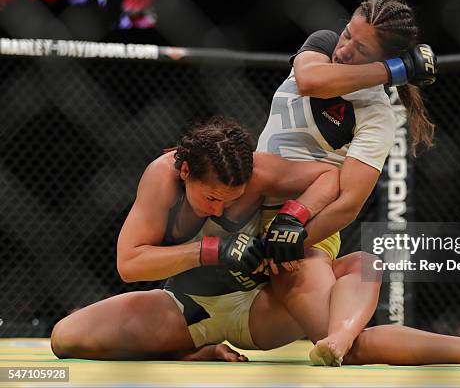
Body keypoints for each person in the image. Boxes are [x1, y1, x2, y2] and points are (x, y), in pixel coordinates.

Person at [253, 0, 460, 368]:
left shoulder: (377, 114)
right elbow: (310, 81)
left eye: (360, 49)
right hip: (251, 200)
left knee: (346, 346)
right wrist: (394, 70)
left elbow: (347, 203)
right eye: (347, 35)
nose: (344, 50)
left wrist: (284, 244)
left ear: (381, 58)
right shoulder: (323, 45)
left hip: (305, 226)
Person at [50, 117, 341, 361]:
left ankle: (351, 334)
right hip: (188, 308)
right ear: (186, 171)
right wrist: (211, 250)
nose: (218, 210)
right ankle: (192, 351)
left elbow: (330, 176)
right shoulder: (163, 177)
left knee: (359, 269)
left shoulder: (260, 171)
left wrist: (292, 216)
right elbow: (129, 264)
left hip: (258, 306)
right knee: (65, 337)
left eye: (231, 201)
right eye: (211, 198)